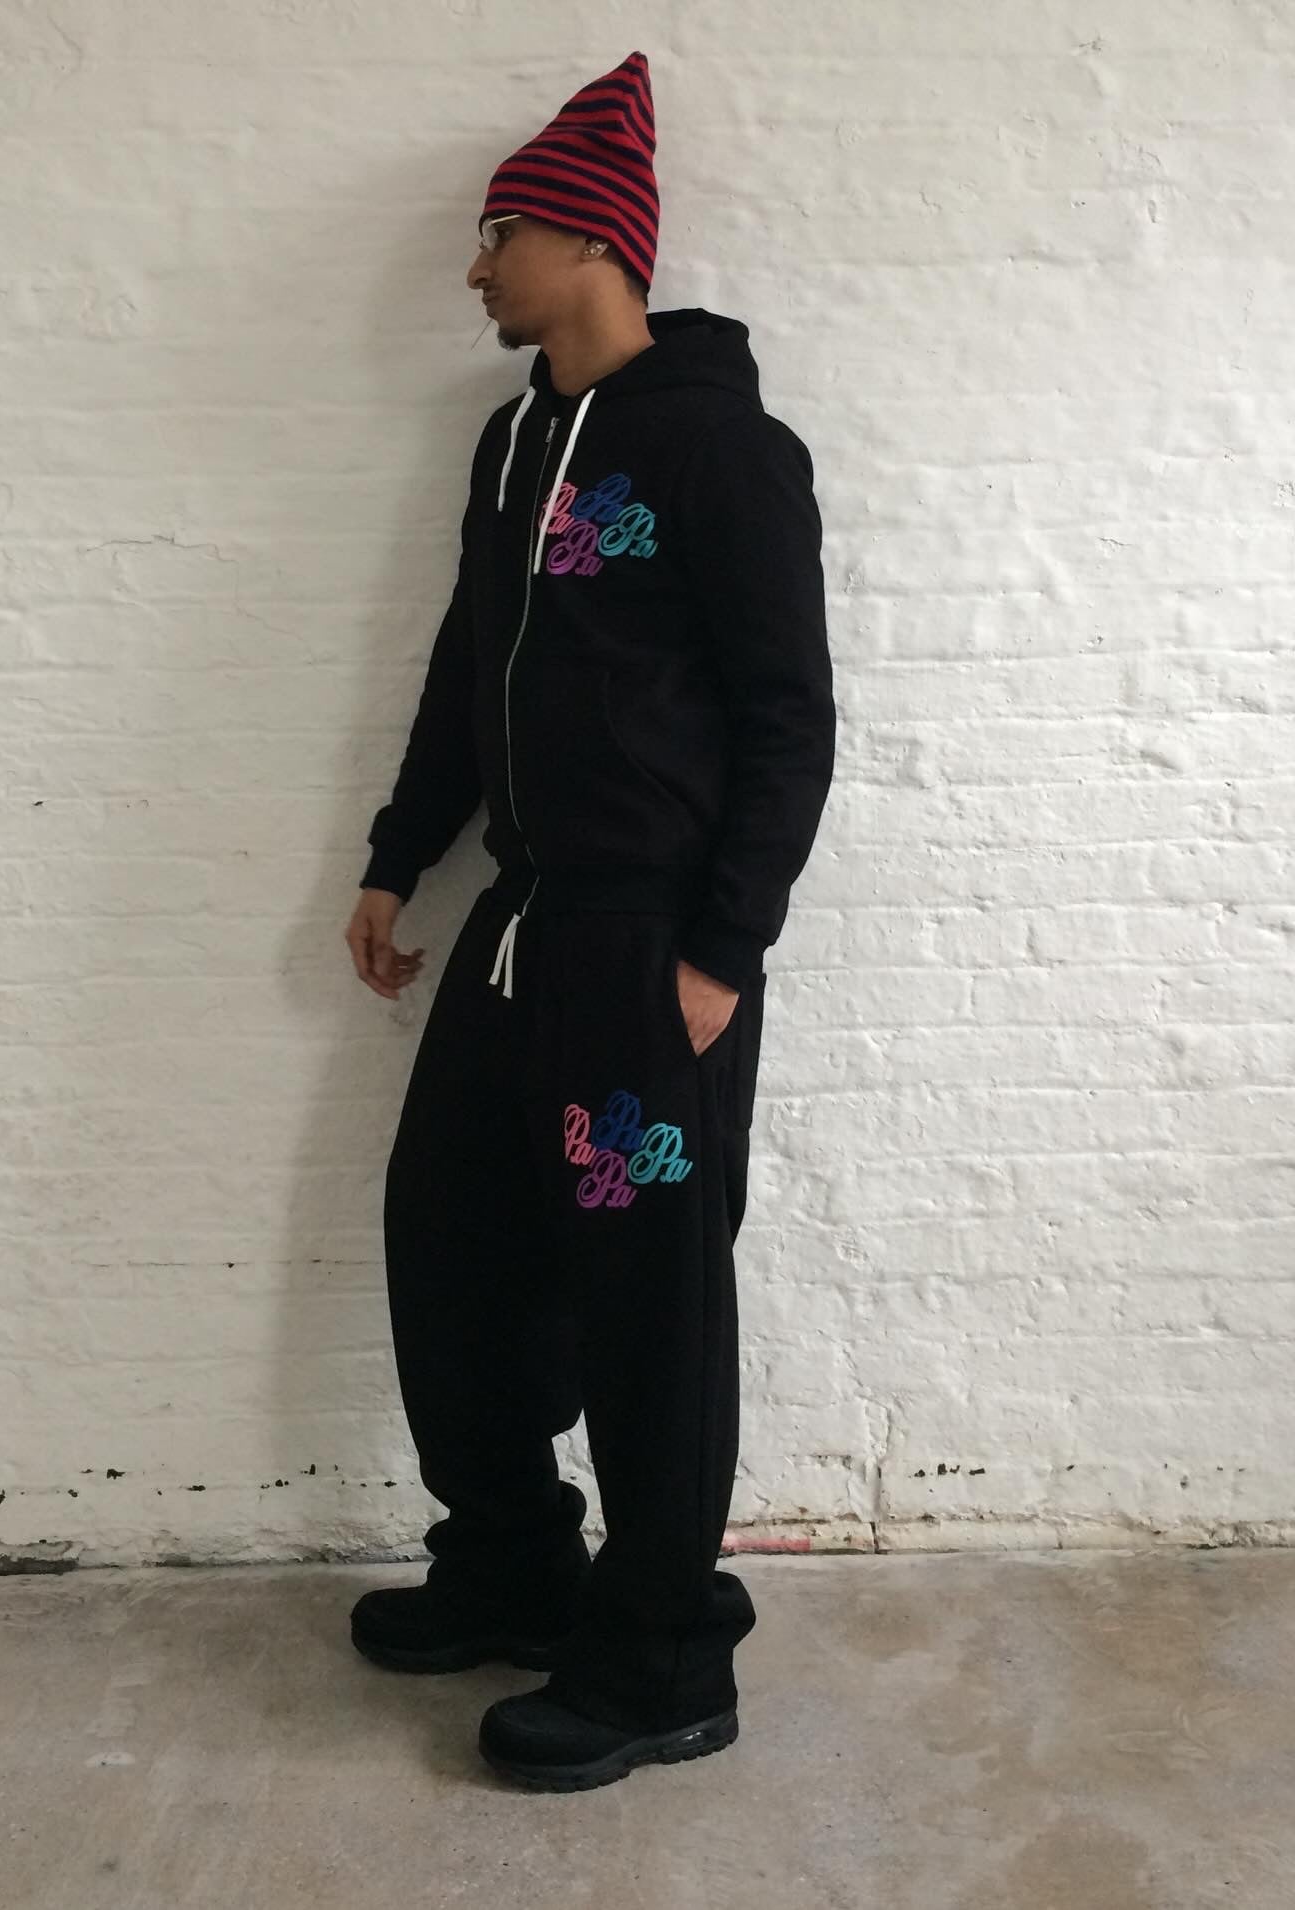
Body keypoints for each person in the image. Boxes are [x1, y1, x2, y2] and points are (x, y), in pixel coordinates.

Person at [344, 48, 836, 1792]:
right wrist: (400, 854)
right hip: (514, 937)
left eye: (503, 235)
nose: (477, 267)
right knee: (448, 1239)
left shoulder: (723, 449)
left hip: (647, 957)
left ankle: (661, 1658)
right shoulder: (509, 448)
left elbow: (789, 718)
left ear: (593, 243)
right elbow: (467, 667)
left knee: (648, 1308)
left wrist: (723, 949)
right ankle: (512, 1563)